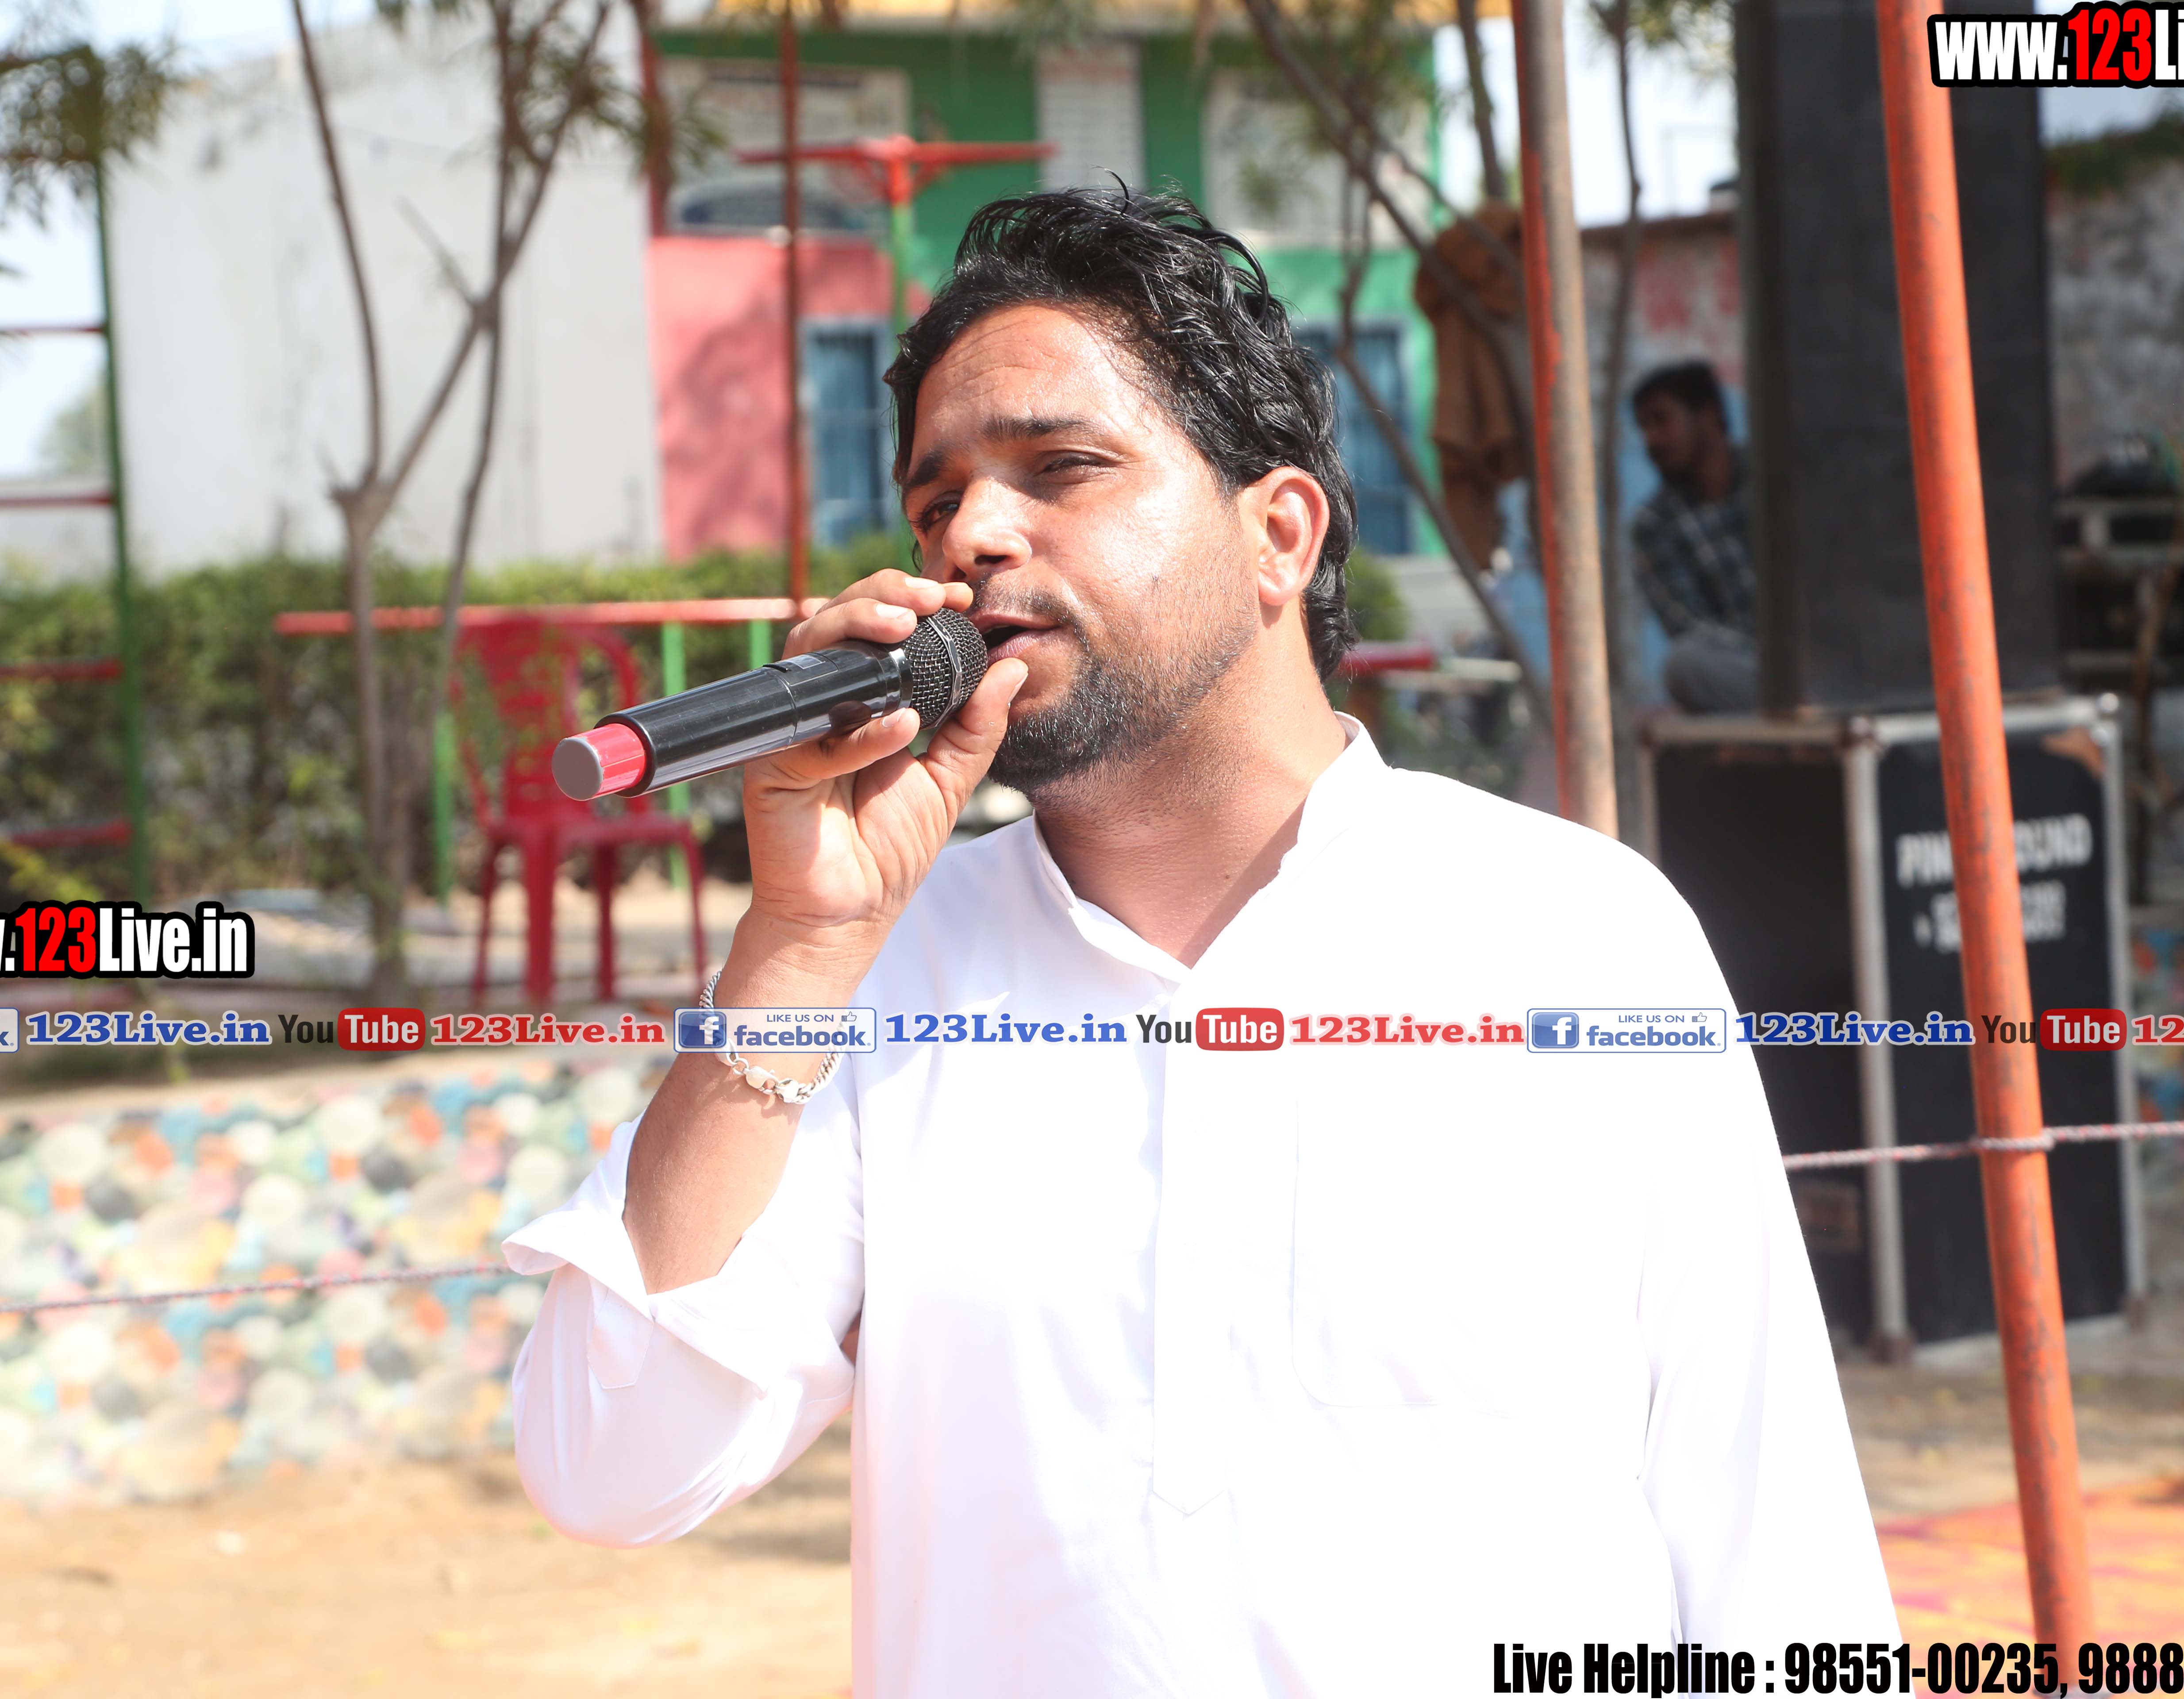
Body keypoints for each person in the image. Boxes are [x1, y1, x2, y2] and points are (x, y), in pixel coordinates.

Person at [505, 189, 1895, 1695]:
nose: (973, 537)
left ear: (1277, 536)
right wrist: (794, 951)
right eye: (936, 502)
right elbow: (607, 1462)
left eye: (1060, 468)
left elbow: (1773, 1550)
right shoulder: (878, 975)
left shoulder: (1578, 934)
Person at [1630, 361, 1759, 713]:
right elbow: (1688, 626)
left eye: (1662, 420)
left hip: (1821, 656)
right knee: (1686, 665)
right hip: (1751, 671)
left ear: (1708, 415)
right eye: (1644, 427)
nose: (1651, 440)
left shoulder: (1775, 476)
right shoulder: (1655, 524)